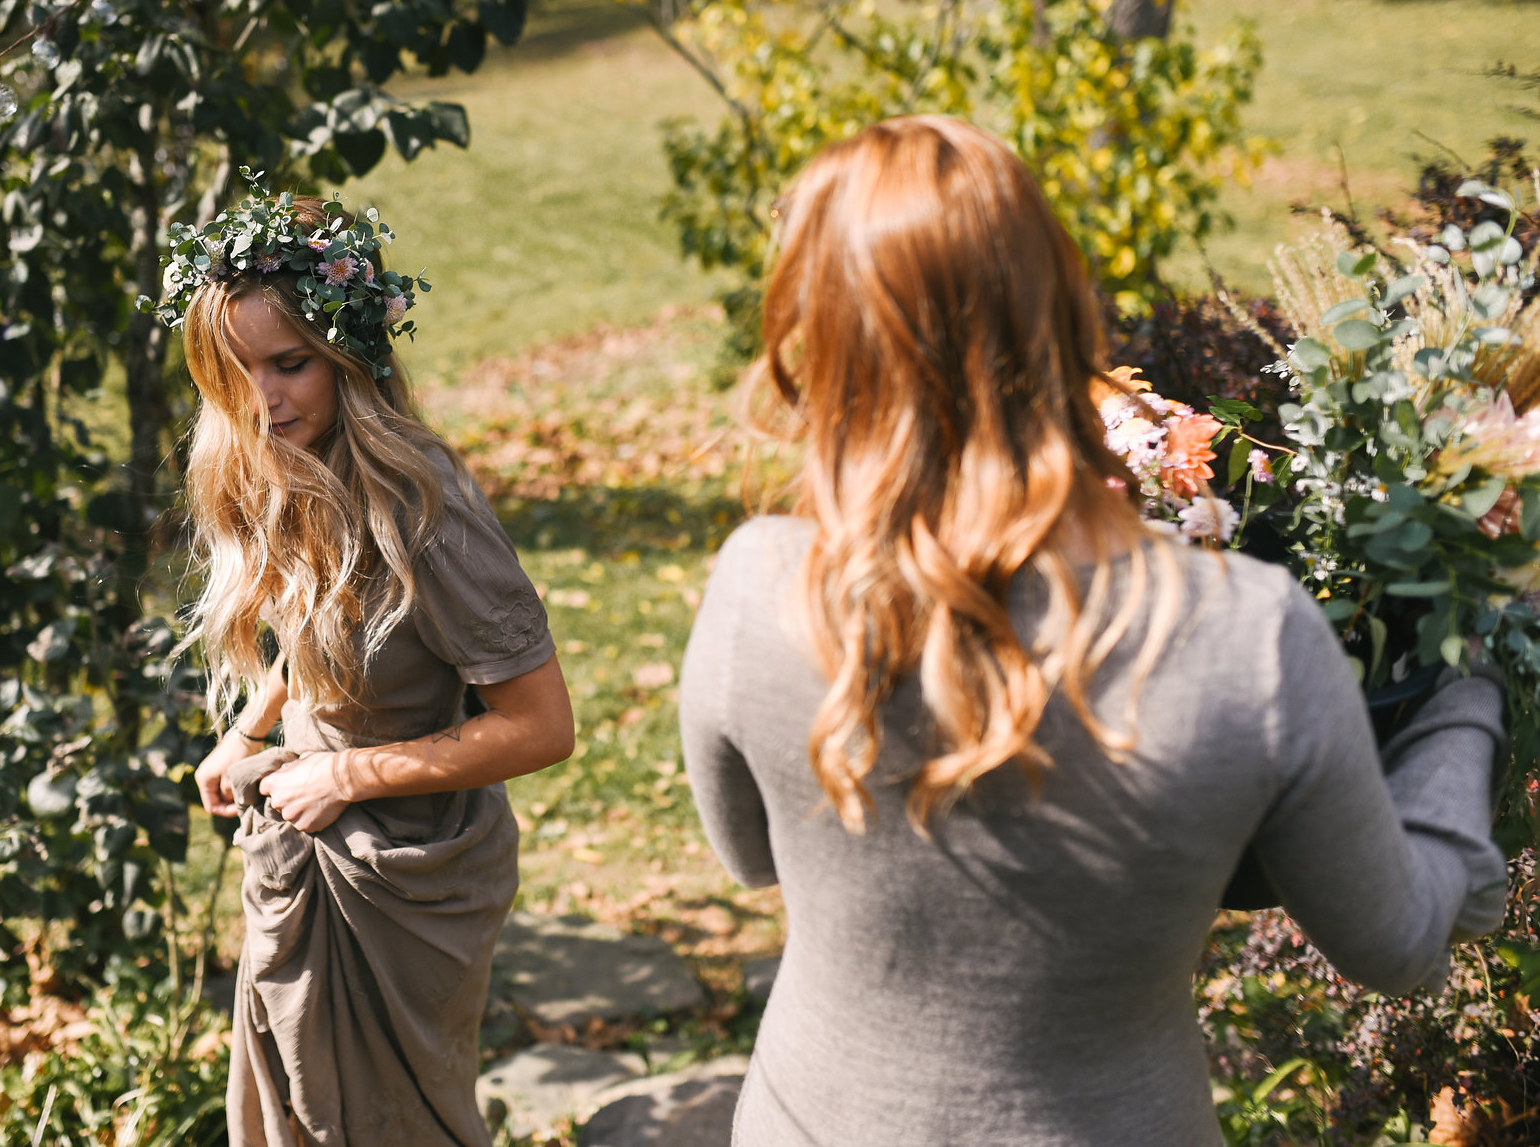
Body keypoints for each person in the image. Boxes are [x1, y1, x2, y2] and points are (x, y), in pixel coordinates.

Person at [679, 116, 1506, 1145]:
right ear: (1065, 311)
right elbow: (1395, 940)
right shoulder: (1247, 640)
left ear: (816, 343)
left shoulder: (755, 586)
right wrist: (1463, 700)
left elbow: (749, 852)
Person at [168, 189, 574, 1147]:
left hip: (405, 880)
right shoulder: (297, 466)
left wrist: (347, 771)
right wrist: (252, 728)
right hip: (306, 840)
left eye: (291, 364)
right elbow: (318, 625)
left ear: (353, 355)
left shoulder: (425, 514)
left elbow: (542, 726)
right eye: (236, 369)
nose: (263, 400)